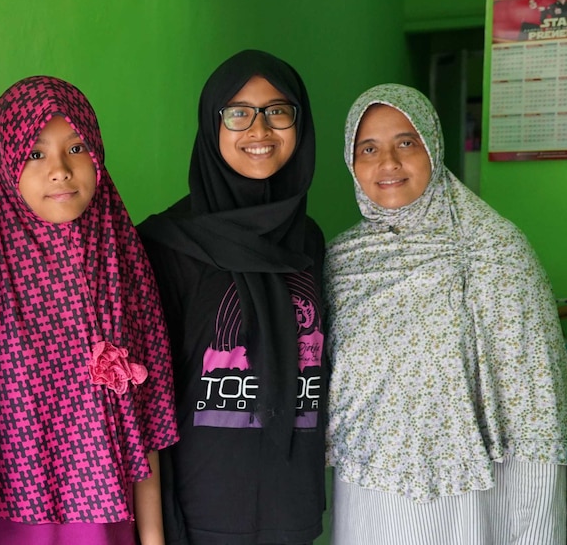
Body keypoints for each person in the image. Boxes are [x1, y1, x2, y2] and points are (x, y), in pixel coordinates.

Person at [325, 83, 567, 545]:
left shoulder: (494, 251)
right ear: (351, 162)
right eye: (369, 148)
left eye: (406, 142)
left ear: (433, 147)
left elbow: (537, 401)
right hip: (364, 493)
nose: (388, 163)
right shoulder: (340, 260)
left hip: (471, 495)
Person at [0, 75, 179, 545]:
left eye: (76, 148)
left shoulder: (123, 261)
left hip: (108, 520)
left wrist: (153, 537)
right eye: (35, 153)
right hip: (8, 521)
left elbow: (148, 421)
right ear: (2, 159)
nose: (60, 169)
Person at [138, 50, 327, 545]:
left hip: (293, 507)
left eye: (278, 111)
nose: (259, 130)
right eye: (238, 113)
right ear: (211, 124)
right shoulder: (166, 243)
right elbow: (147, 401)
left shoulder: (307, 240)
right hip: (201, 512)